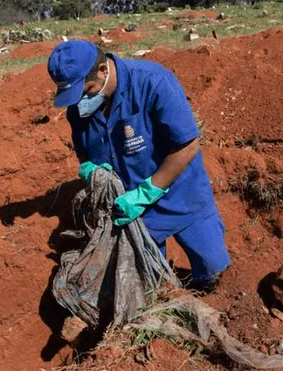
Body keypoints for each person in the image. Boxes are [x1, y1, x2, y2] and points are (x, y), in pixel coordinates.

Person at [47, 40, 231, 291]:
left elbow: (188, 145)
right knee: (149, 287)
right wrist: (90, 169)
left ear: (103, 70)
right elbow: (86, 153)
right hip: (133, 211)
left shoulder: (153, 82)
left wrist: (147, 193)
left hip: (181, 195)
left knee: (215, 273)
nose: (81, 98)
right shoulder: (79, 110)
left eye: (86, 89)